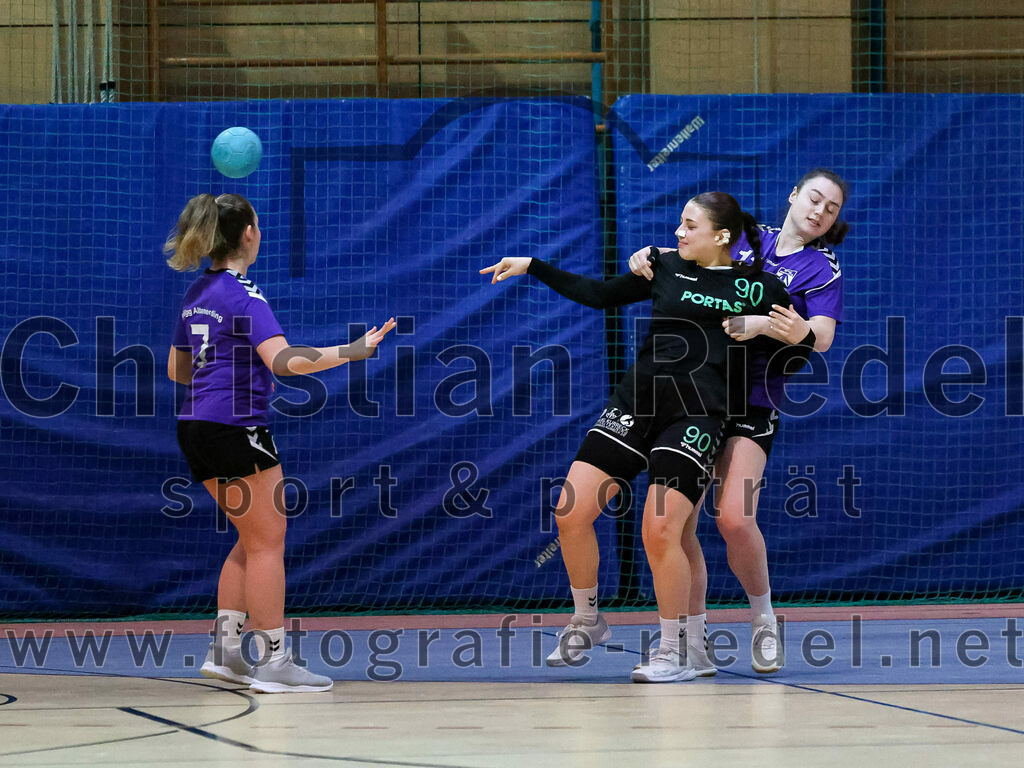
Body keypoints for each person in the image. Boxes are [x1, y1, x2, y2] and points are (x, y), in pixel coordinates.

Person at [482, 192, 814, 682]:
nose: (679, 232)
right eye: (680, 223)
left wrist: (782, 329)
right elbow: (599, 294)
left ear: (721, 235)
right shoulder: (665, 266)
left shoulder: (759, 286)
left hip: (697, 417)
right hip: (636, 404)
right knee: (570, 512)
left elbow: (797, 356)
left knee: (660, 531)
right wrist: (534, 265)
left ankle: (675, 652)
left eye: (690, 225)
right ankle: (587, 619)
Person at [165, 193, 396, 693]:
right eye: (258, 224)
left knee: (250, 539)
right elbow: (284, 362)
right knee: (268, 541)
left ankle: (226, 653)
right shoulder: (243, 294)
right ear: (249, 233)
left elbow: (177, 370)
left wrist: (225, 374)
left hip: (195, 425)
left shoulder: (198, 292)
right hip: (236, 426)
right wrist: (352, 351)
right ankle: (274, 662)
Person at [627, 168, 849, 675]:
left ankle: (764, 619)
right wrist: (648, 255)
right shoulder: (748, 237)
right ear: (793, 195)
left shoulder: (821, 267)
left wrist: (767, 323)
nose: (819, 211)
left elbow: (821, 337)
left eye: (831, 208)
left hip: (753, 401)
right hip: (698, 395)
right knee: (679, 524)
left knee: (733, 518)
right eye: (814, 198)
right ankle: (693, 640)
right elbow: (691, 254)